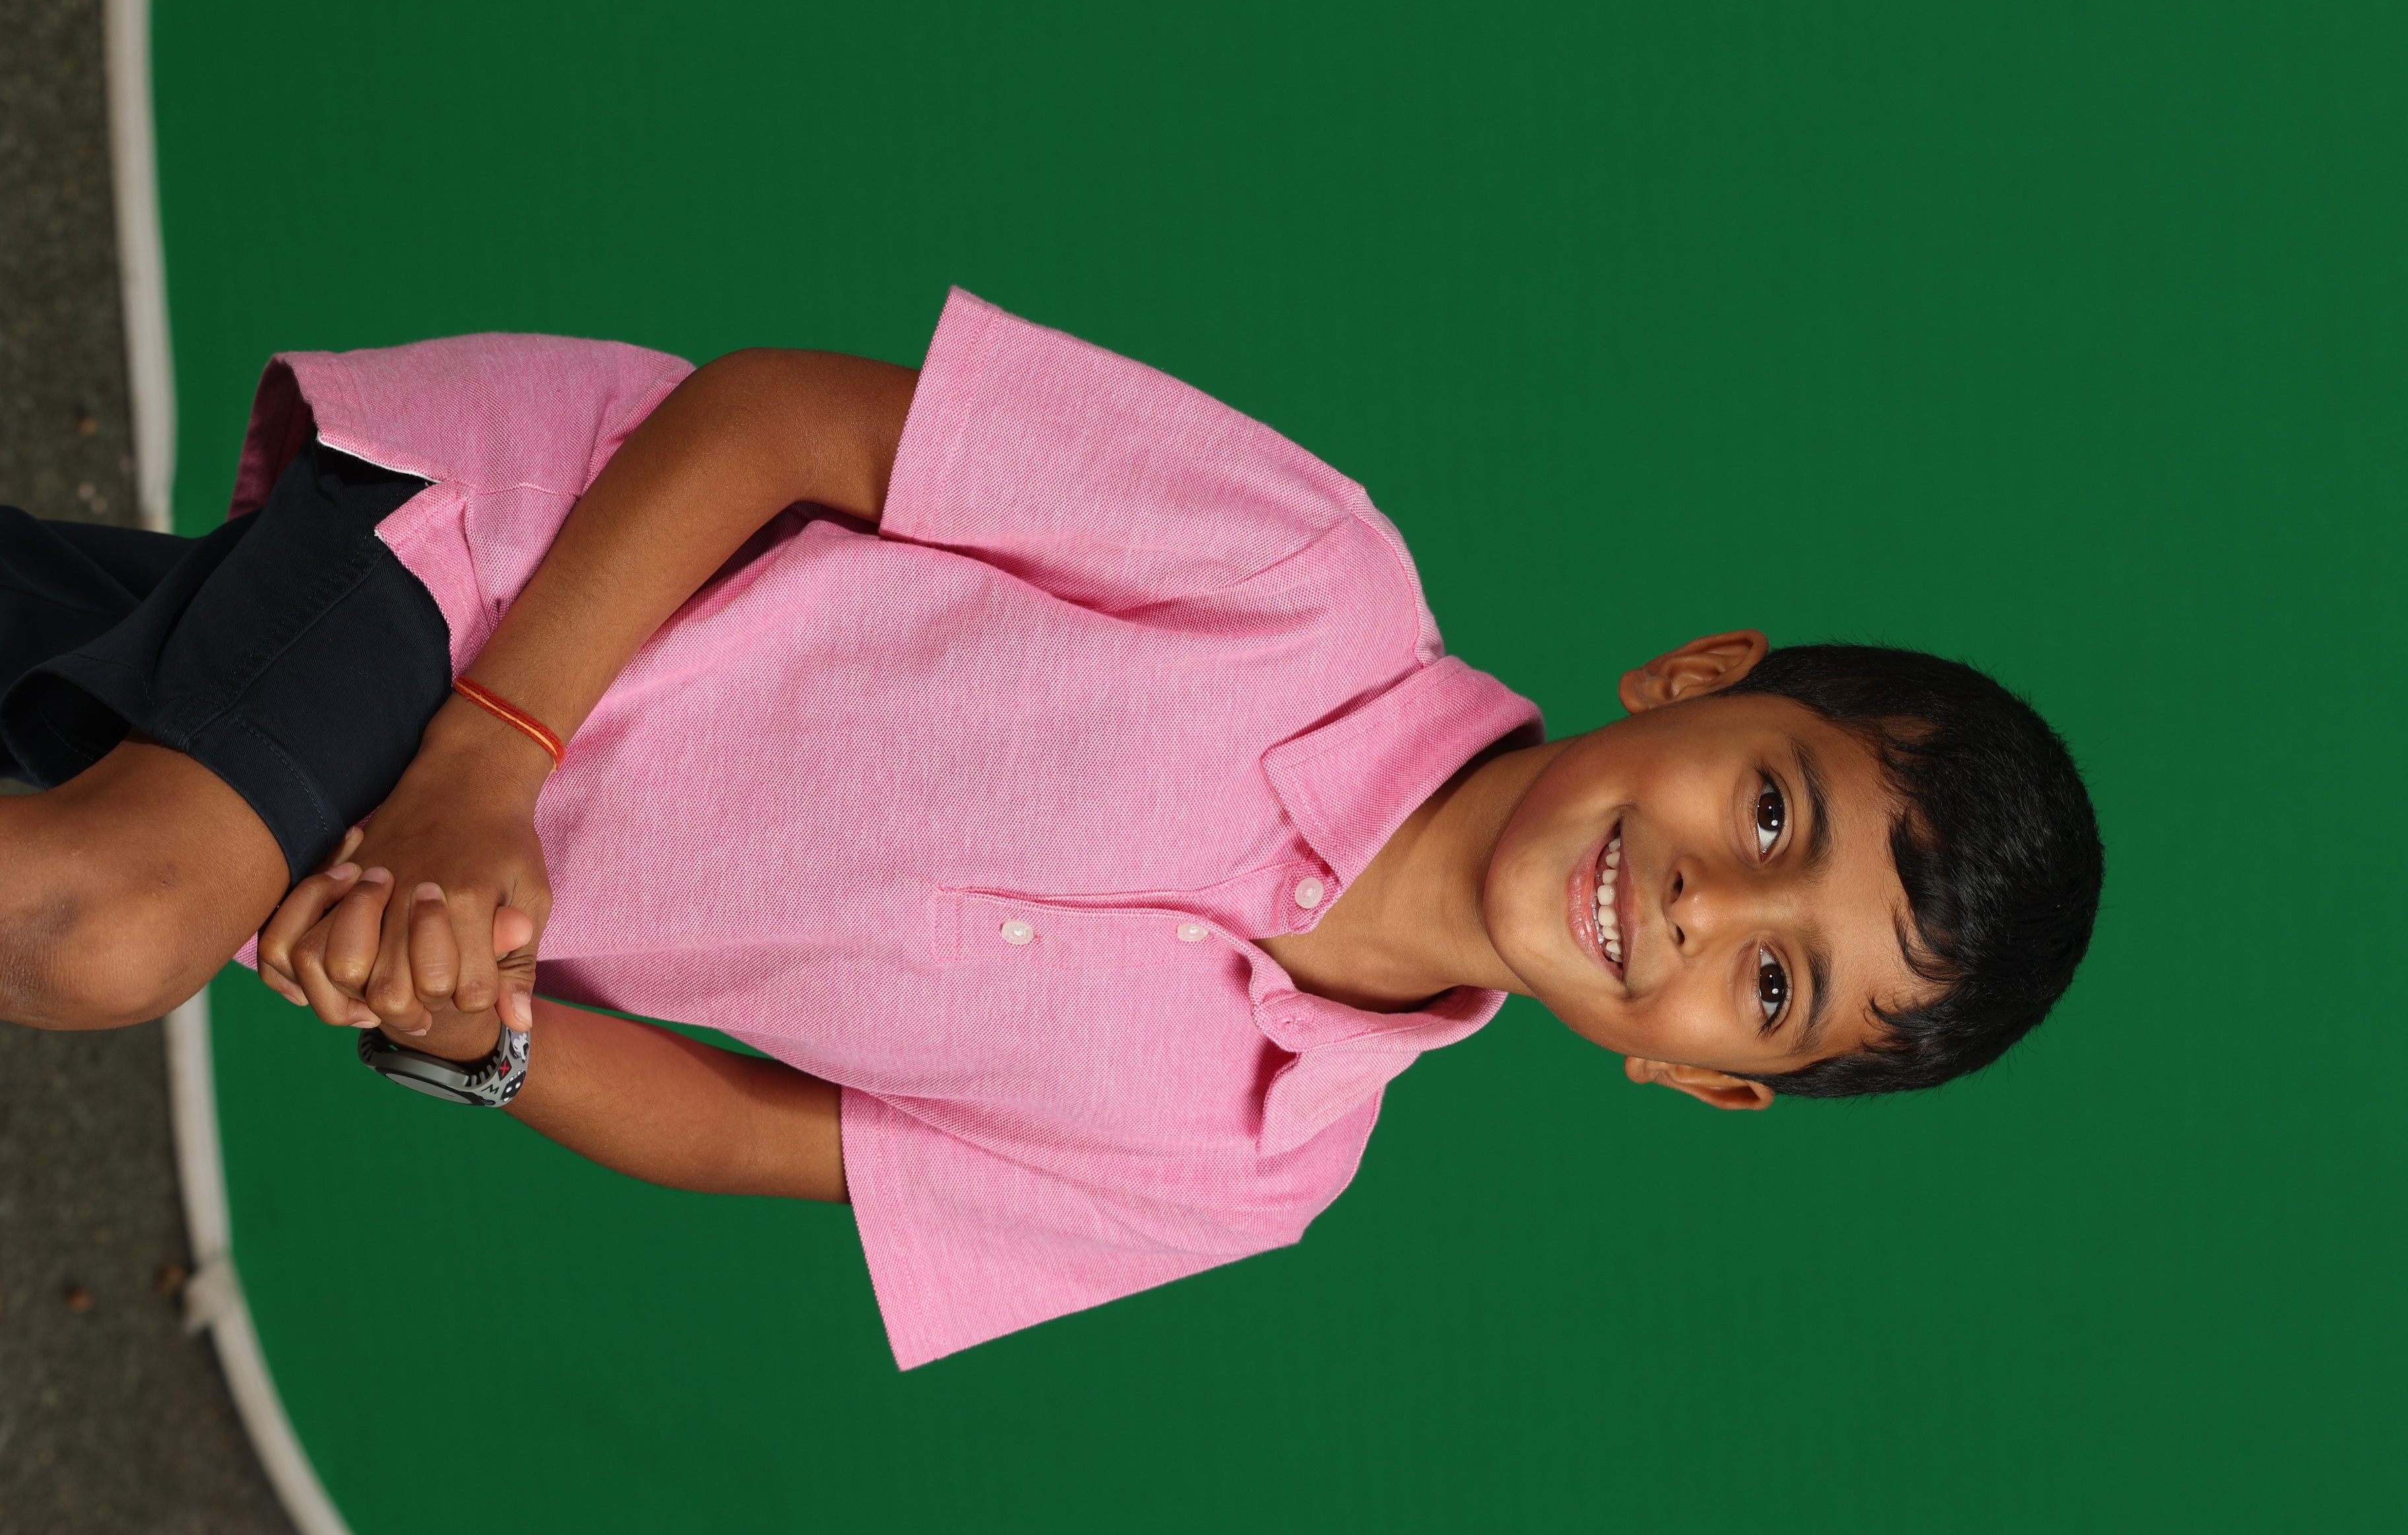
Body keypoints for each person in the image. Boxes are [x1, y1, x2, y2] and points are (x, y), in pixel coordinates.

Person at [0, 290, 2102, 1366]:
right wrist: (491, 751)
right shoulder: (1310, 574)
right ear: (1697, 674)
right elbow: (779, 417)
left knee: (57, 670)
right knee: (107, 922)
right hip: (506, 566)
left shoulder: (1251, 1173)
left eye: (1774, 986)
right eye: (1771, 807)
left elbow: (751, 1136)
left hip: (433, 850)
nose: (1713, 901)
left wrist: (477, 1038)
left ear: (1700, 1078)